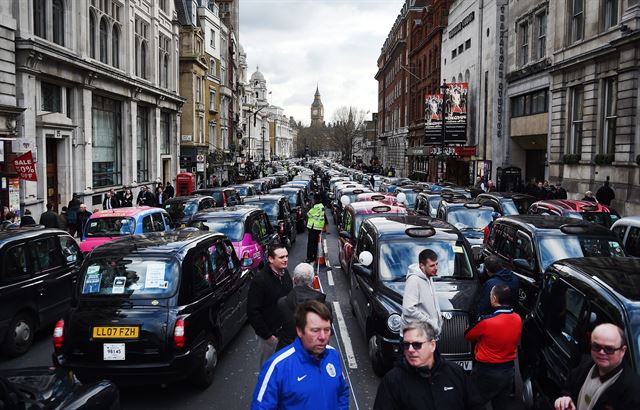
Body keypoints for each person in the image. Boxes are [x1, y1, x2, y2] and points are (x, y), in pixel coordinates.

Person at [251, 300, 349, 410]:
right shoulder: (277, 367)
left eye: (327, 330)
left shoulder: (333, 354)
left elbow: (342, 392)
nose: (323, 337)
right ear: (300, 331)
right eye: (315, 330)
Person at [373, 321, 477, 410]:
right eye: (406, 345)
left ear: (432, 345)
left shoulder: (456, 373)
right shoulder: (392, 381)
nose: (410, 350)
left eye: (416, 345)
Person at [554, 323, 640, 410]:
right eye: (596, 346)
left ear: (622, 351)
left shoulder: (634, 391)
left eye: (609, 349)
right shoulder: (586, 365)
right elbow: (568, 388)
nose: (601, 352)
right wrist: (566, 399)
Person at [465, 285, 522, 410]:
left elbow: (468, 335)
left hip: (486, 371)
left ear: (494, 298)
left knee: (475, 402)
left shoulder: (486, 322)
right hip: (507, 370)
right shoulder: (518, 318)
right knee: (502, 404)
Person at [247, 244, 294, 366]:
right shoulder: (260, 280)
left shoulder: (285, 274)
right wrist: (268, 336)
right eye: (281, 257)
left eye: (286, 256)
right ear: (271, 259)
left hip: (285, 334)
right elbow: (253, 312)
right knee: (268, 367)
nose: (285, 259)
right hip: (269, 336)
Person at [276, 263, 329, 350]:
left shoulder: (282, 303)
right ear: (312, 280)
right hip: (314, 350)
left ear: (294, 280)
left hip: (288, 348)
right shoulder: (325, 305)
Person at [401, 249, 443, 336]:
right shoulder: (413, 280)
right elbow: (408, 310)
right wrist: (429, 323)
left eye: (436, 264)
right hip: (415, 337)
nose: (436, 268)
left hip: (425, 334)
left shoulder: (428, 276)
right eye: (432, 265)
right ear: (422, 266)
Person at [306, 198, 327, 264]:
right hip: (318, 227)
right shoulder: (322, 207)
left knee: (310, 244)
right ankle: (315, 256)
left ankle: (310, 258)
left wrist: (309, 206)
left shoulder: (316, 207)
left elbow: (308, 214)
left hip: (313, 227)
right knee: (315, 243)